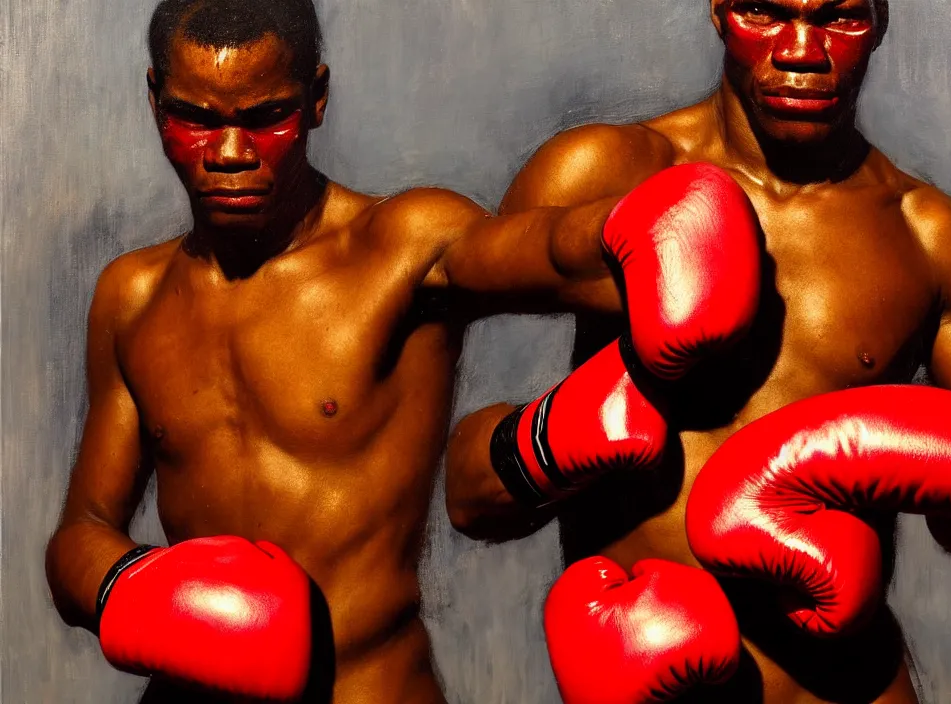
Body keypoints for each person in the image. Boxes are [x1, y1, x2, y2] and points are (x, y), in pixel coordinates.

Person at [444, 1, 951, 702]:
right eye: (766, 12)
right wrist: (551, 439)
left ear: (881, 21)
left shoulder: (928, 237)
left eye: (840, 17)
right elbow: (464, 495)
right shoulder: (601, 173)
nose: (799, 50)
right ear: (721, 11)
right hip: (640, 673)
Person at [43, 1, 626, 702]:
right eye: (197, 119)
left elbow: (554, 257)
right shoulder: (131, 295)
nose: (230, 154)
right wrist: (135, 591)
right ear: (154, 100)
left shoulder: (404, 245)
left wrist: (650, 231)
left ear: (316, 99)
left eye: (264, 119)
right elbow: (84, 527)